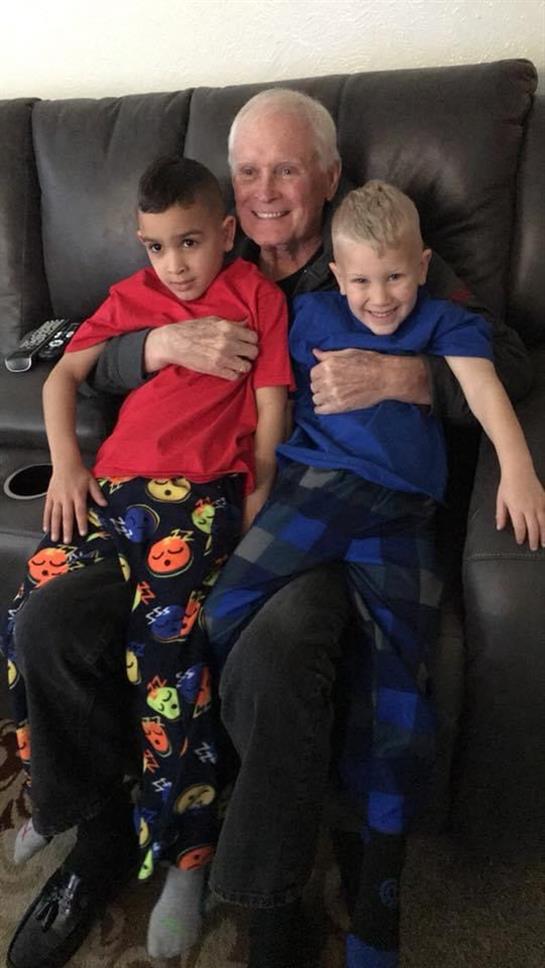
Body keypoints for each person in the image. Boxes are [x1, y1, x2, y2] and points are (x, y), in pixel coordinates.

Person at [4, 90, 532, 968]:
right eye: (247, 170)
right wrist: (154, 352)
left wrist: (401, 380)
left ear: (328, 178)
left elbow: (504, 359)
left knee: (277, 651)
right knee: (52, 620)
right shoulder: (202, 248)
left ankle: (262, 899)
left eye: (286, 168)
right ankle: (94, 838)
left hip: (301, 513)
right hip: (163, 505)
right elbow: (64, 349)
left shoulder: (375, 257)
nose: (264, 189)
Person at [204, 180, 545, 968]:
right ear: (334, 269)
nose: (379, 297)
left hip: (398, 513)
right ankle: (222, 788)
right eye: (360, 279)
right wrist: (256, 482)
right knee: (222, 617)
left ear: (421, 264)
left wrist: (519, 471)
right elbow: (270, 402)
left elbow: (490, 391)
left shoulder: (447, 321)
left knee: (402, 691)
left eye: (393, 276)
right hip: (316, 492)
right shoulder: (312, 315)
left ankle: (379, 899)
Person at [0, 154, 292, 968]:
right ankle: (64, 804)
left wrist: (261, 484)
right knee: (29, 615)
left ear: (227, 232)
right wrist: (66, 463)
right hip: (112, 488)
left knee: (164, 668)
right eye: (157, 247)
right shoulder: (133, 301)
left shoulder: (258, 297)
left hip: (198, 499)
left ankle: (187, 856)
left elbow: (272, 400)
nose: (175, 263)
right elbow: (66, 375)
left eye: (191, 242)